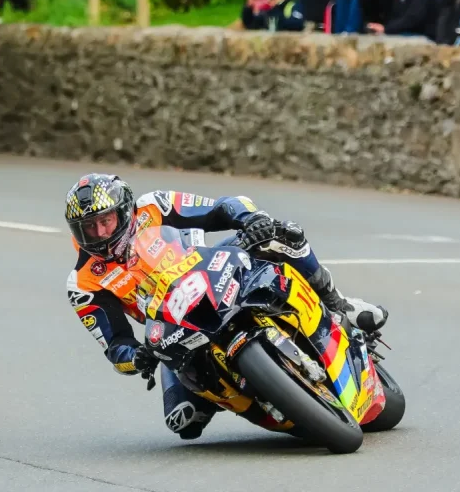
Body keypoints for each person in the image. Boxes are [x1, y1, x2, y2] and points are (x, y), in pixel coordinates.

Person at [64, 174, 387, 440]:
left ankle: (338, 303)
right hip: (173, 324)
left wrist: (253, 220)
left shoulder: (154, 206)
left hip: (209, 272)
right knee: (184, 423)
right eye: (89, 228)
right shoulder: (83, 283)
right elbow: (115, 345)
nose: (100, 233)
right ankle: (230, 398)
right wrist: (137, 357)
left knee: (282, 234)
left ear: (125, 212)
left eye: (105, 221)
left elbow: (223, 207)